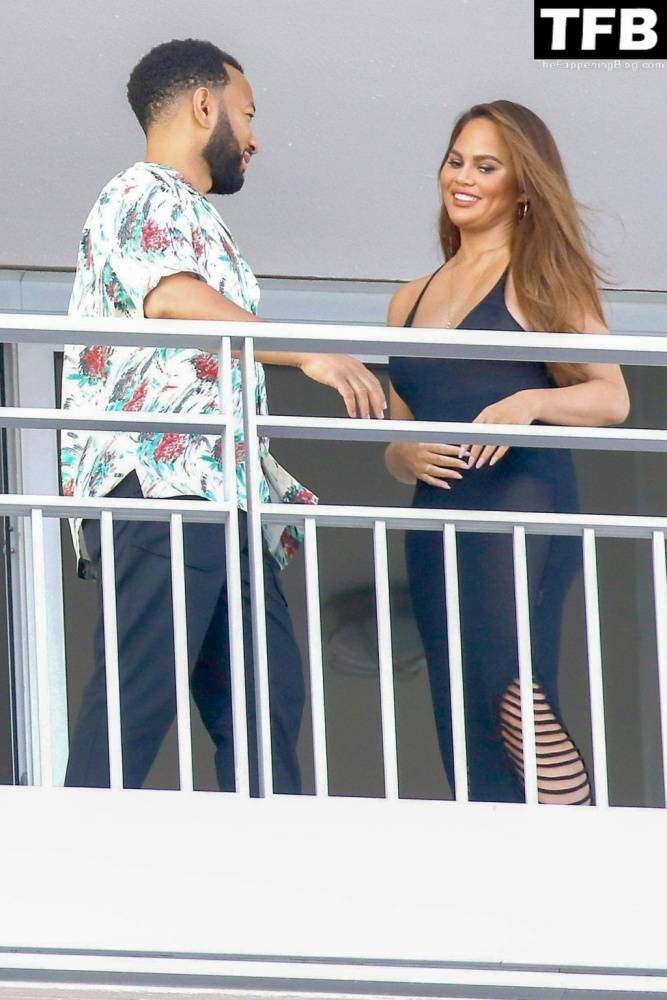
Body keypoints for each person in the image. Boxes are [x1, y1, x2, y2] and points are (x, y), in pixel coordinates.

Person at [61, 38, 386, 793]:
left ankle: (273, 857)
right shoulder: (140, 193)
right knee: (141, 688)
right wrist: (306, 353)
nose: (253, 136)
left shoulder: (191, 213)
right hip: (164, 483)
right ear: (203, 105)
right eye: (245, 114)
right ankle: (72, 843)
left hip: (221, 491)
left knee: (266, 702)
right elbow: (172, 297)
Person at [385, 101, 629, 804]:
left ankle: (581, 845)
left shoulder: (539, 276)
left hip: (518, 501)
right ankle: (505, 863)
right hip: (435, 517)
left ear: (521, 186)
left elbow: (610, 398)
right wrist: (402, 454)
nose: (463, 177)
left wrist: (532, 403)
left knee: (510, 690)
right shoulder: (407, 298)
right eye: (456, 159)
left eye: (485, 166)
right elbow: (400, 432)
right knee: (457, 706)